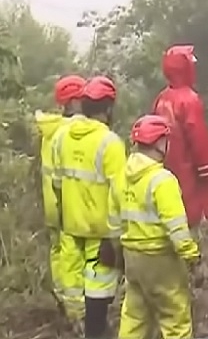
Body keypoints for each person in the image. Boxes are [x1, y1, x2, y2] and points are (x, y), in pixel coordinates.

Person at [52, 75, 126, 338]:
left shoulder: (61, 137)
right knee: (99, 287)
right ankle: (94, 330)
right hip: (100, 229)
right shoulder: (110, 143)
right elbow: (120, 194)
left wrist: (63, 214)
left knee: (72, 281)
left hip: (71, 224)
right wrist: (116, 238)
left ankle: (75, 325)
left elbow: (57, 183)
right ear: (108, 108)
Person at [116, 114, 200, 339]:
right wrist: (191, 255)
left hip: (132, 258)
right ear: (160, 142)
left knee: (134, 316)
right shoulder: (163, 180)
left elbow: (114, 220)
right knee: (175, 318)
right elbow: (177, 228)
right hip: (160, 260)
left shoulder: (121, 177)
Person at [152, 44, 208, 228]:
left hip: (164, 169)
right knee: (190, 222)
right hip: (188, 173)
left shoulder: (161, 97)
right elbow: (199, 141)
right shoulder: (190, 100)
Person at [35, 74, 86, 309]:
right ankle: (76, 308)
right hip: (69, 203)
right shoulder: (74, 131)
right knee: (74, 255)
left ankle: (60, 294)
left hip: (51, 203)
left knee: (57, 251)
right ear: (74, 101)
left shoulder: (49, 129)